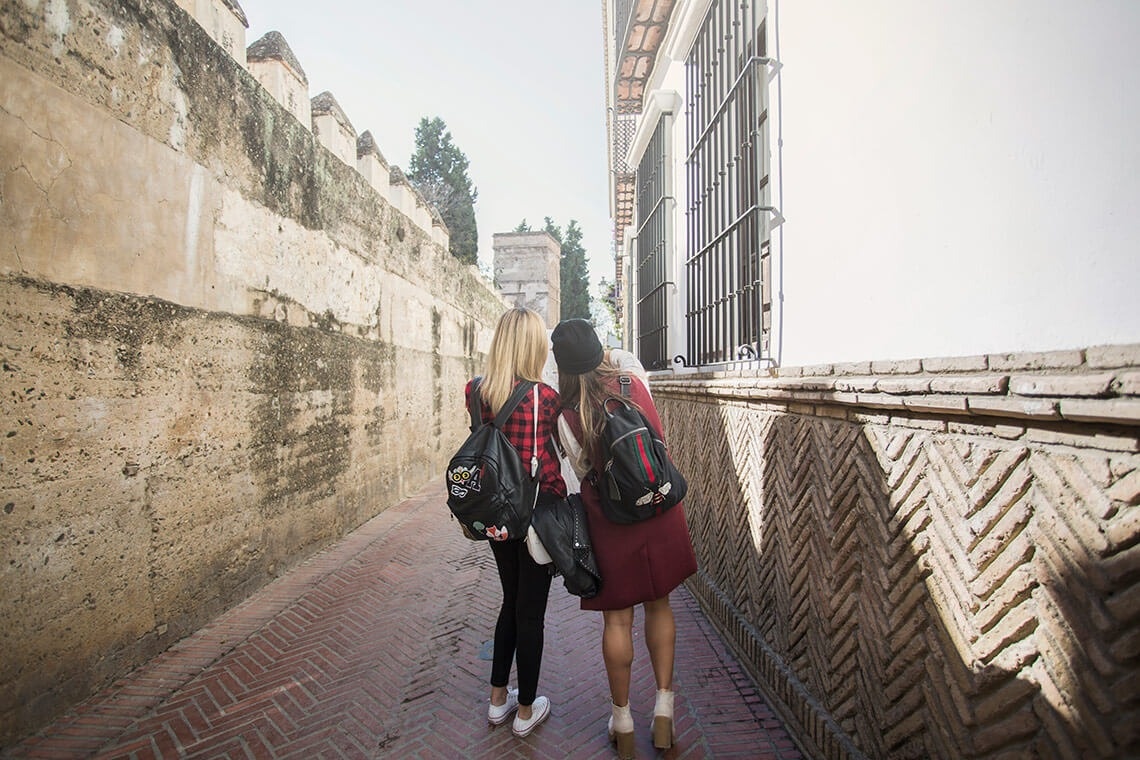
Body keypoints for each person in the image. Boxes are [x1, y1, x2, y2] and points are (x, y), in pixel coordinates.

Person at [550, 319, 698, 758]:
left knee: (617, 621)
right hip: (660, 505)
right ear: (599, 351)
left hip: (611, 518)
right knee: (660, 605)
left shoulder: (567, 414)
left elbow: (579, 473)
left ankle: (623, 719)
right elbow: (657, 435)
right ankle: (665, 712)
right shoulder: (631, 378)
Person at [467, 307, 566, 737]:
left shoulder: (474, 390)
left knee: (511, 599)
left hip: (494, 514)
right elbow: (554, 459)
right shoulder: (545, 398)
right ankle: (525, 711)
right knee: (532, 612)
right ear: (534, 347)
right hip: (537, 514)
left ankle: (496, 701)